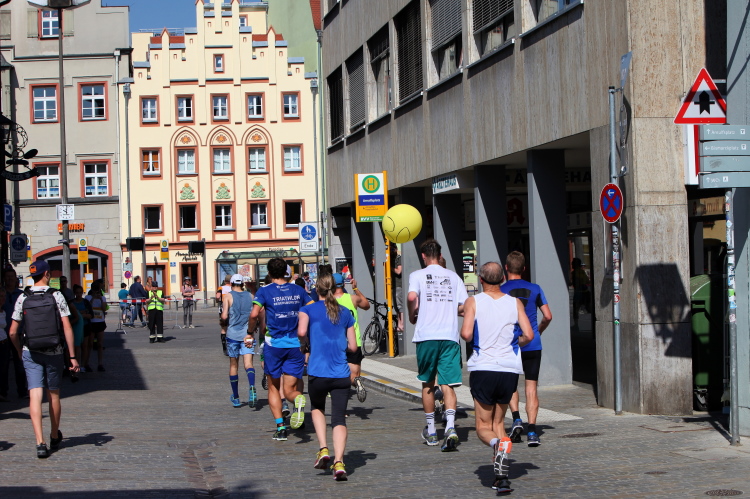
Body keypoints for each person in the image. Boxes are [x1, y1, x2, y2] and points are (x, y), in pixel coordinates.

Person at [460, 261, 534, 494]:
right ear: (503, 279)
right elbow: (529, 335)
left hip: (483, 368)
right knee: (499, 423)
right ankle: (501, 479)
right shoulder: (515, 302)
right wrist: (514, 342)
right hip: (509, 370)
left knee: (483, 426)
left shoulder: (473, 302)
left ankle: (498, 444)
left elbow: (466, 333)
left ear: (481, 280)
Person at [8, 260, 79, 458]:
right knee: (53, 395)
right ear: (47, 274)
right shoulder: (56, 295)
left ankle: (40, 443)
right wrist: (72, 356)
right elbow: (67, 327)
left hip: (30, 351)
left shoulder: (23, 297)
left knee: (35, 395)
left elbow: (13, 332)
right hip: (54, 351)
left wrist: (20, 351)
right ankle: (54, 435)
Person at [407, 239, 468, 452]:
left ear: (424, 256)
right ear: (440, 255)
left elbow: (412, 296)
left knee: (427, 383)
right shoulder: (454, 276)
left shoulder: (417, 275)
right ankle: (450, 427)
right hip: (449, 336)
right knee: (448, 384)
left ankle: (432, 431)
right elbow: (465, 305)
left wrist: (411, 314)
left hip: (426, 336)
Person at [298, 273, 357, 481]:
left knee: (317, 407)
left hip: (317, 371)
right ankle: (339, 462)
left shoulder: (307, 309)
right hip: (341, 373)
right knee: (339, 418)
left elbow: (301, 331)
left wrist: (305, 345)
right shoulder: (345, 312)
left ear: (317, 289)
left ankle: (323, 449)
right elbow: (353, 346)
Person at [246, 258, 312, 441]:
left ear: (269, 273)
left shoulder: (264, 290)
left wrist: (249, 333)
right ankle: (297, 399)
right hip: (295, 344)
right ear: (286, 272)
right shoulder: (299, 290)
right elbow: (312, 309)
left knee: (274, 387)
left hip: (274, 344)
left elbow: (254, 314)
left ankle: (281, 428)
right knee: (290, 388)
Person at [500, 251, 552, 447]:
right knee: (531, 387)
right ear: (523, 268)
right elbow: (548, 316)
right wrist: (538, 331)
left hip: (511, 344)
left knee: (511, 384)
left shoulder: (501, 290)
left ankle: (516, 419)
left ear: (506, 268)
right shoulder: (535, 288)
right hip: (532, 343)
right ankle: (532, 431)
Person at [332, 273, 370, 402]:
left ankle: (339, 400)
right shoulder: (353, 299)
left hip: (336, 342)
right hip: (354, 341)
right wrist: (355, 288)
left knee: (338, 373)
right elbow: (366, 305)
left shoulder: (329, 301)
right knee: (355, 374)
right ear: (343, 284)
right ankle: (356, 381)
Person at [221, 274, 257, 408]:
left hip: (233, 334)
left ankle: (236, 397)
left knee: (233, 365)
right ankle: (252, 386)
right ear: (242, 284)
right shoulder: (250, 296)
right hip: (247, 335)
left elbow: (224, 316)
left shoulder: (228, 296)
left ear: (231, 284)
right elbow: (255, 314)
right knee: (248, 364)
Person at [2, 268, 27, 400]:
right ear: (4, 278)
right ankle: (3, 392)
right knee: (3, 365)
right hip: (3, 335)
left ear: (16, 278)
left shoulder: (21, 295)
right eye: (8, 276)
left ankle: (22, 391)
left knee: (20, 363)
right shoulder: (2, 294)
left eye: (12, 276)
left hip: (18, 334)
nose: (10, 279)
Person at [83, 281, 107, 372]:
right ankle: (86, 363)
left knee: (100, 344)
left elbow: (104, 309)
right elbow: (88, 307)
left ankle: (100, 364)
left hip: (100, 321)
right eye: (95, 289)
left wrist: (100, 299)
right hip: (92, 322)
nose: (97, 291)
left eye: (98, 289)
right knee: (90, 344)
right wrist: (93, 298)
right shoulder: (88, 297)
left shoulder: (103, 298)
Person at [71, 284, 92, 367]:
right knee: (76, 346)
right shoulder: (72, 303)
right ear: (74, 293)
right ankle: (76, 364)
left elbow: (91, 315)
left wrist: (82, 315)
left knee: (85, 346)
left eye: (80, 292)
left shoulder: (85, 302)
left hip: (85, 326)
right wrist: (80, 314)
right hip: (75, 326)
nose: (79, 294)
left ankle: (83, 365)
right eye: (77, 293)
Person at [570, 257, 590, 325]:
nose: (571, 264)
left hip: (578, 293)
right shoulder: (582, 271)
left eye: (573, 263)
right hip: (585, 292)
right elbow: (587, 281)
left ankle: (576, 324)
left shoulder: (574, 273)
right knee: (587, 308)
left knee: (576, 309)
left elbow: (575, 282)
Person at [217, 275, 232, 356]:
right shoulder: (233, 288)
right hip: (232, 309)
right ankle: (231, 346)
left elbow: (217, 296)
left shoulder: (221, 288)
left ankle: (224, 348)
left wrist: (218, 301)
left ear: (225, 281)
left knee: (223, 328)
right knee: (231, 327)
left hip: (222, 310)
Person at [390, 245, 404, 332]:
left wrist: (389, 267)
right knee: (396, 306)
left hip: (399, 284)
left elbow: (399, 271)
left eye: (392, 249)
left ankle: (401, 324)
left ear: (396, 249)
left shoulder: (399, 258)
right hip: (393, 285)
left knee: (400, 305)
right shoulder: (390, 259)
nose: (391, 251)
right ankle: (399, 324)